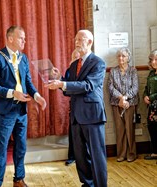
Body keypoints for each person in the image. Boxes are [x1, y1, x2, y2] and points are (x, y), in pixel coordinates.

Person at [45, 29, 107, 187]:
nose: (77, 42)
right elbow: (69, 89)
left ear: (90, 42)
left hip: (93, 115)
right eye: (75, 39)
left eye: (80, 39)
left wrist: (62, 83)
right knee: (80, 155)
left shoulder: (98, 63)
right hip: (76, 116)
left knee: (96, 155)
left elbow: (88, 85)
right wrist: (59, 79)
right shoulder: (74, 65)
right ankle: (87, 184)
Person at [0, 25, 47, 187]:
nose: (24, 41)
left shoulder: (24, 58)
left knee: (21, 146)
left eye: (24, 38)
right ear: (10, 38)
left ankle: (18, 178)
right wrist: (13, 93)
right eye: (21, 38)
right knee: (2, 147)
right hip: (4, 111)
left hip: (21, 110)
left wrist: (37, 96)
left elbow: (27, 81)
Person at [108, 47, 139, 162]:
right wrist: (120, 98)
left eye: (123, 56)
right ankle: (121, 154)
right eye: (119, 56)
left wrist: (125, 98)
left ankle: (131, 153)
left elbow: (135, 88)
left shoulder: (133, 71)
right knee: (120, 129)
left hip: (130, 104)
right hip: (116, 103)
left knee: (130, 129)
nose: (120, 58)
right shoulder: (113, 71)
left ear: (128, 58)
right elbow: (110, 87)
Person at [65, 49, 80, 166]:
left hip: (85, 108)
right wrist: (59, 78)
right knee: (72, 133)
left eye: (77, 56)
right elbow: (67, 91)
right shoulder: (69, 70)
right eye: (74, 56)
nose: (75, 58)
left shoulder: (85, 69)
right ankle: (72, 156)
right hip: (74, 106)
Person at [143, 49, 157, 160]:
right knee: (152, 128)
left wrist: (151, 97)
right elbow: (146, 88)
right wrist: (145, 96)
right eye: (152, 60)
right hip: (151, 107)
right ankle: (155, 152)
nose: (153, 62)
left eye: (156, 60)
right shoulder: (151, 73)